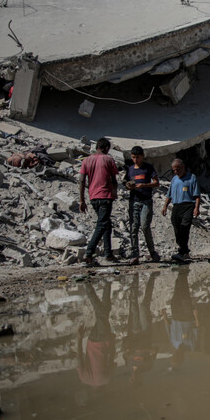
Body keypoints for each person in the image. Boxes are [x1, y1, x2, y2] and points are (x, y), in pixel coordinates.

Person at [79, 137, 119, 266]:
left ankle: (108, 253)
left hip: (93, 197)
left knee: (106, 224)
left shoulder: (86, 160)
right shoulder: (108, 159)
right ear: (106, 148)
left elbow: (82, 181)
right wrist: (114, 192)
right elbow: (114, 180)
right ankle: (89, 253)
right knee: (102, 224)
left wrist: (81, 200)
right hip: (105, 196)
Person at [123, 146, 160, 264]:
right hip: (134, 200)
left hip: (146, 201)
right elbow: (125, 182)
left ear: (142, 156)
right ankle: (135, 254)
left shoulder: (148, 168)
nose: (135, 160)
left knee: (144, 226)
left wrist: (144, 185)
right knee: (134, 227)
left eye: (137, 157)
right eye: (133, 157)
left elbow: (156, 183)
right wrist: (128, 185)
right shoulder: (130, 169)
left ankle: (152, 252)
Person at [77, 281, 116, 387]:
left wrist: (113, 341)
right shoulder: (84, 379)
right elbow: (79, 358)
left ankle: (88, 286)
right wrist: (79, 339)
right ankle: (106, 284)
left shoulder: (106, 380)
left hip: (104, 340)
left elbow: (112, 358)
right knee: (104, 314)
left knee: (102, 315)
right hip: (92, 341)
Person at [162, 159, 201, 263]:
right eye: (174, 170)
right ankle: (184, 250)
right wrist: (165, 206)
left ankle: (182, 252)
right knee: (177, 229)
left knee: (185, 227)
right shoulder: (174, 179)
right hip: (176, 206)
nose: (176, 172)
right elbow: (169, 194)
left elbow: (197, 195)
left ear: (183, 167)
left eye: (178, 169)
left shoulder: (192, 178)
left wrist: (197, 208)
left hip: (188, 206)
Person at [122, 273, 158, 386]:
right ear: (141, 380)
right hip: (146, 332)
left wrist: (133, 351)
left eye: (133, 380)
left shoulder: (128, 365)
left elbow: (125, 353)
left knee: (133, 304)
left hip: (134, 332)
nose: (135, 378)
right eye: (137, 380)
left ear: (130, 379)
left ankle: (135, 277)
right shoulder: (147, 366)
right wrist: (143, 350)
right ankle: (152, 278)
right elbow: (155, 351)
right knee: (144, 306)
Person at [163, 269, 199, 368]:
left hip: (176, 316)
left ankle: (180, 275)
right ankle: (183, 272)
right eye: (176, 357)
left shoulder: (173, 344)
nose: (175, 354)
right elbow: (196, 329)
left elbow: (168, 329)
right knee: (184, 295)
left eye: (174, 356)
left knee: (175, 298)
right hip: (187, 316)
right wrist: (196, 315)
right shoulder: (190, 346)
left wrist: (164, 316)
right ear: (180, 357)